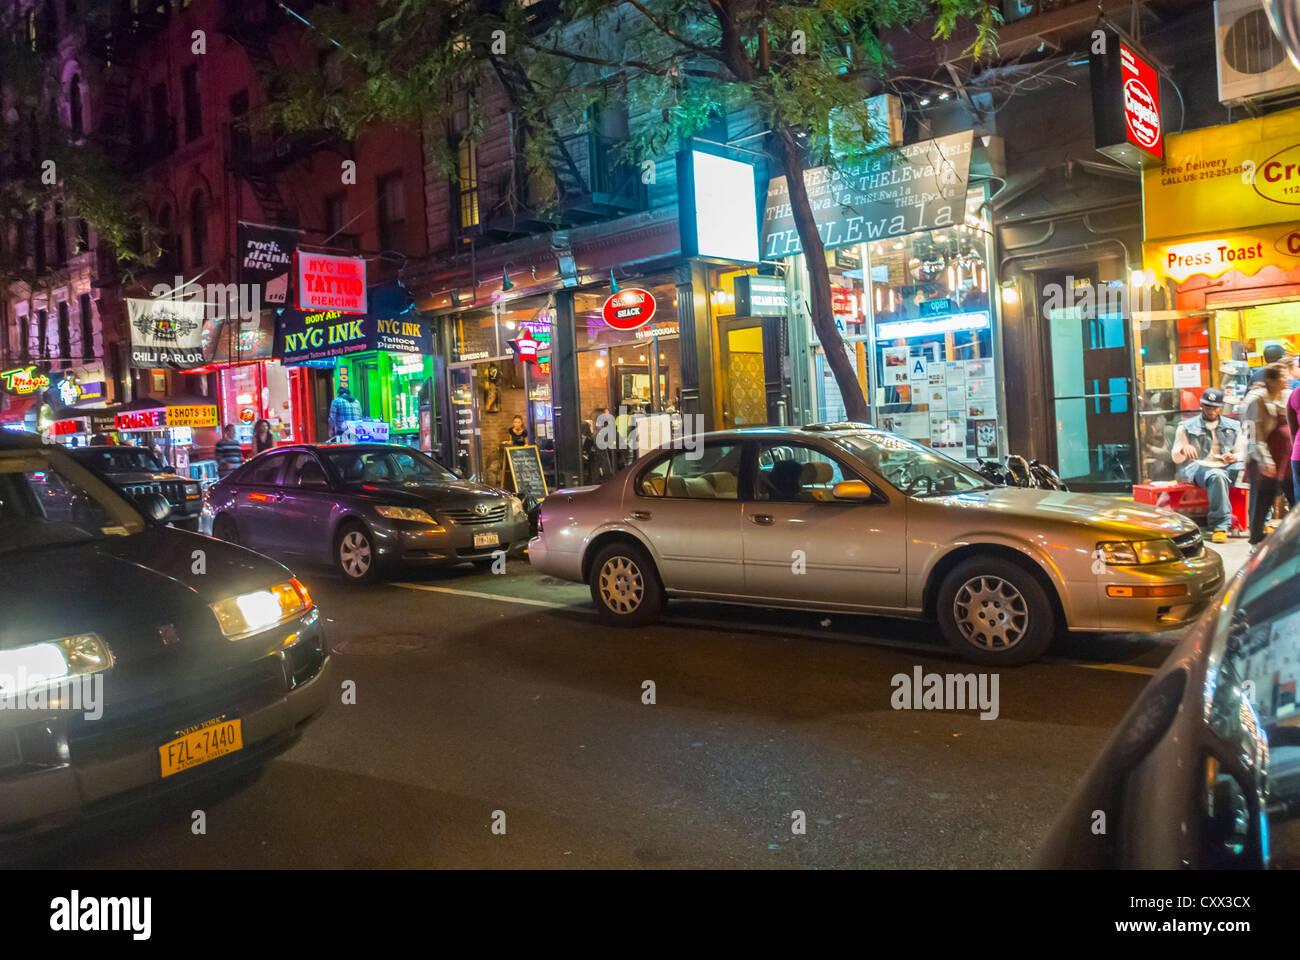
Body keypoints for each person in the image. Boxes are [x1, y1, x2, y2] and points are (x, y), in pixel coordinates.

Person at [1171, 387, 1245, 543]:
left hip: (1224, 466)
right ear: (1201, 406)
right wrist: (1183, 449)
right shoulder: (1186, 426)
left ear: (1221, 408)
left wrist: (1233, 456)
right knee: (1216, 475)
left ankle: (1263, 521)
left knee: (1254, 470)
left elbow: (1241, 452)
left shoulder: (1233, 425)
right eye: (1207, 407)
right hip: (1197, 467)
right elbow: (1175, 457)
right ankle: (1220, 525)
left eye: (1215, 407)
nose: (1211, 411)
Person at [1242, 363, 1292, 546]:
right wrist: (1265, 460)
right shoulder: (1257, 401)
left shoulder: (1287, 396)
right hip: (1266, 460)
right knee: (1263, 500)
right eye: (1282, 377)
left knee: (1294, 496)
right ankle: (1256, 538)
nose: (1286, 380)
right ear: (1270, 381)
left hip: (1287, 459)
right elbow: (1254, 435)